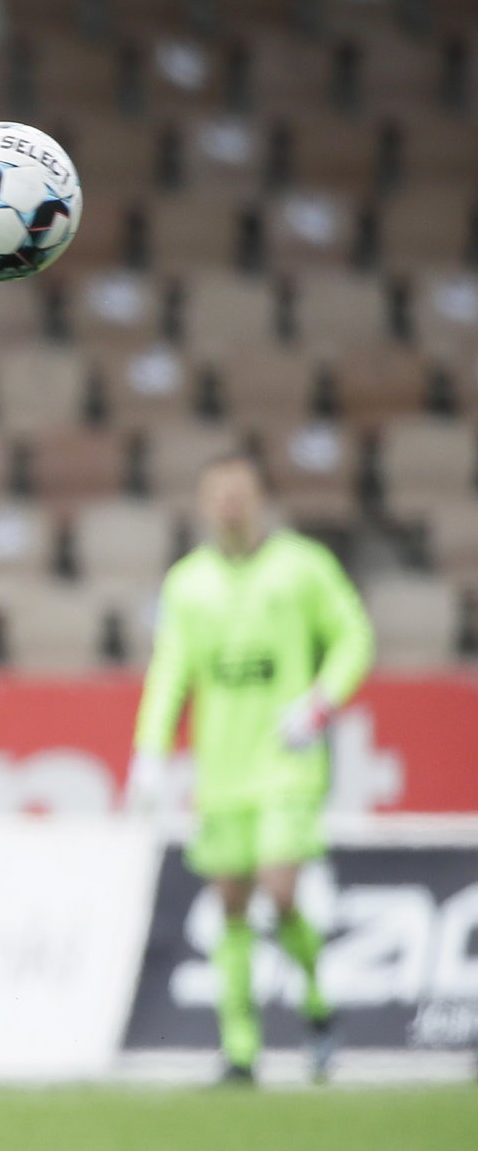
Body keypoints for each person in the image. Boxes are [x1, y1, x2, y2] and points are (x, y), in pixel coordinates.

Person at [127, 451, 374, 1084]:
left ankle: (317, 1007)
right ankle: (241, 1051)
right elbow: (171, 671)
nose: (230, 504)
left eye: (240, 492)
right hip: (223, 770)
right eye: (218, 494)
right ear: (205, 504)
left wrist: (320, 703)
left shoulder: (302, 568)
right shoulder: (188, 583)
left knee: (280, 889)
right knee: (230, 903)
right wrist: (151, 750)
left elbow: (354, 636)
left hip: (287, 765)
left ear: (260, 497)